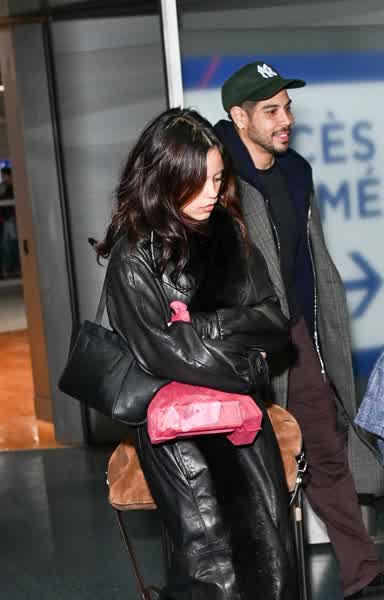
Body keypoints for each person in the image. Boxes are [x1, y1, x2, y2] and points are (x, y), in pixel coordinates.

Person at [97, 108, 298, 599]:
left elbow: (274, 321)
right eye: (199, 180)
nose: (213, 191)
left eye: (218, 178)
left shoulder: (229, 235)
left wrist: (208, 324)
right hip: (180, 435)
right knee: (211, 567)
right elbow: (168, 354)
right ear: (166, 177)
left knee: (273, 559)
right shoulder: (135, 255)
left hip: (243, 424)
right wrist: (249, 364)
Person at [215, 61, 384, 599]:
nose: (285, 119)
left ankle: (363, 572)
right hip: (234, 346)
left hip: (292, 337)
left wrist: (314, 332)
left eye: (287, 108)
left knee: (325, 447)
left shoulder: (296, 172)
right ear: (239, 117)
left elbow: (311, 259)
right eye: (271, 111)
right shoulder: (215, 175)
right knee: (250, 469)